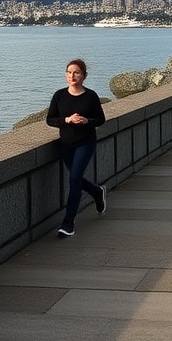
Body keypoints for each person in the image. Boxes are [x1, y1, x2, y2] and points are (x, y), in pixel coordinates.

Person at [46, 58, 107, 238]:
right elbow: (50, 119)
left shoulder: (91, 96)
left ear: (84, 76)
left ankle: (68, 223)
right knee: (77, 178)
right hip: (65, 144)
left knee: (74, 179)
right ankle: (97, 192)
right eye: (69, 72)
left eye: (76, 73)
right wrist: (66, 120)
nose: (72, 76)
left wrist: (87, 121)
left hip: (85, 143)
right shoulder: (59, 95)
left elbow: (101, 119)